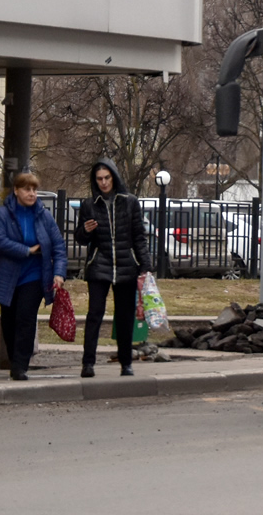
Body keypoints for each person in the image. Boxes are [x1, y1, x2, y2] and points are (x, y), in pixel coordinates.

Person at [74, 159, 151, 378]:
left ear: (114, 177)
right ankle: (88, 363)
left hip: (127, 266)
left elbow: (139, 236)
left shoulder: (129, 202)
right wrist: (86, 231)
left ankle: (126, 363)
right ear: (94, 181)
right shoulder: (89, 204)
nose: (104, 182)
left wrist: (145, 266)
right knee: (94, 315)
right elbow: (80, 238)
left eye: (107, 178)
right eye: (99, 179)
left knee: (125, 317)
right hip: (99, 266)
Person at [0, 173, 66, 380]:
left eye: (34, 190)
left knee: (26, 318)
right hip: (9, 277)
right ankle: (14, 360)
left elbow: (58, 245)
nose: (31, 194)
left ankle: (20, 365)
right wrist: (27, 251)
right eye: (27, 189)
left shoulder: (43, 215)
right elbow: (0, 241)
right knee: (10, 320)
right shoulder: (4, 214)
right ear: (16, 191)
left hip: (35, 275)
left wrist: (58, 272)